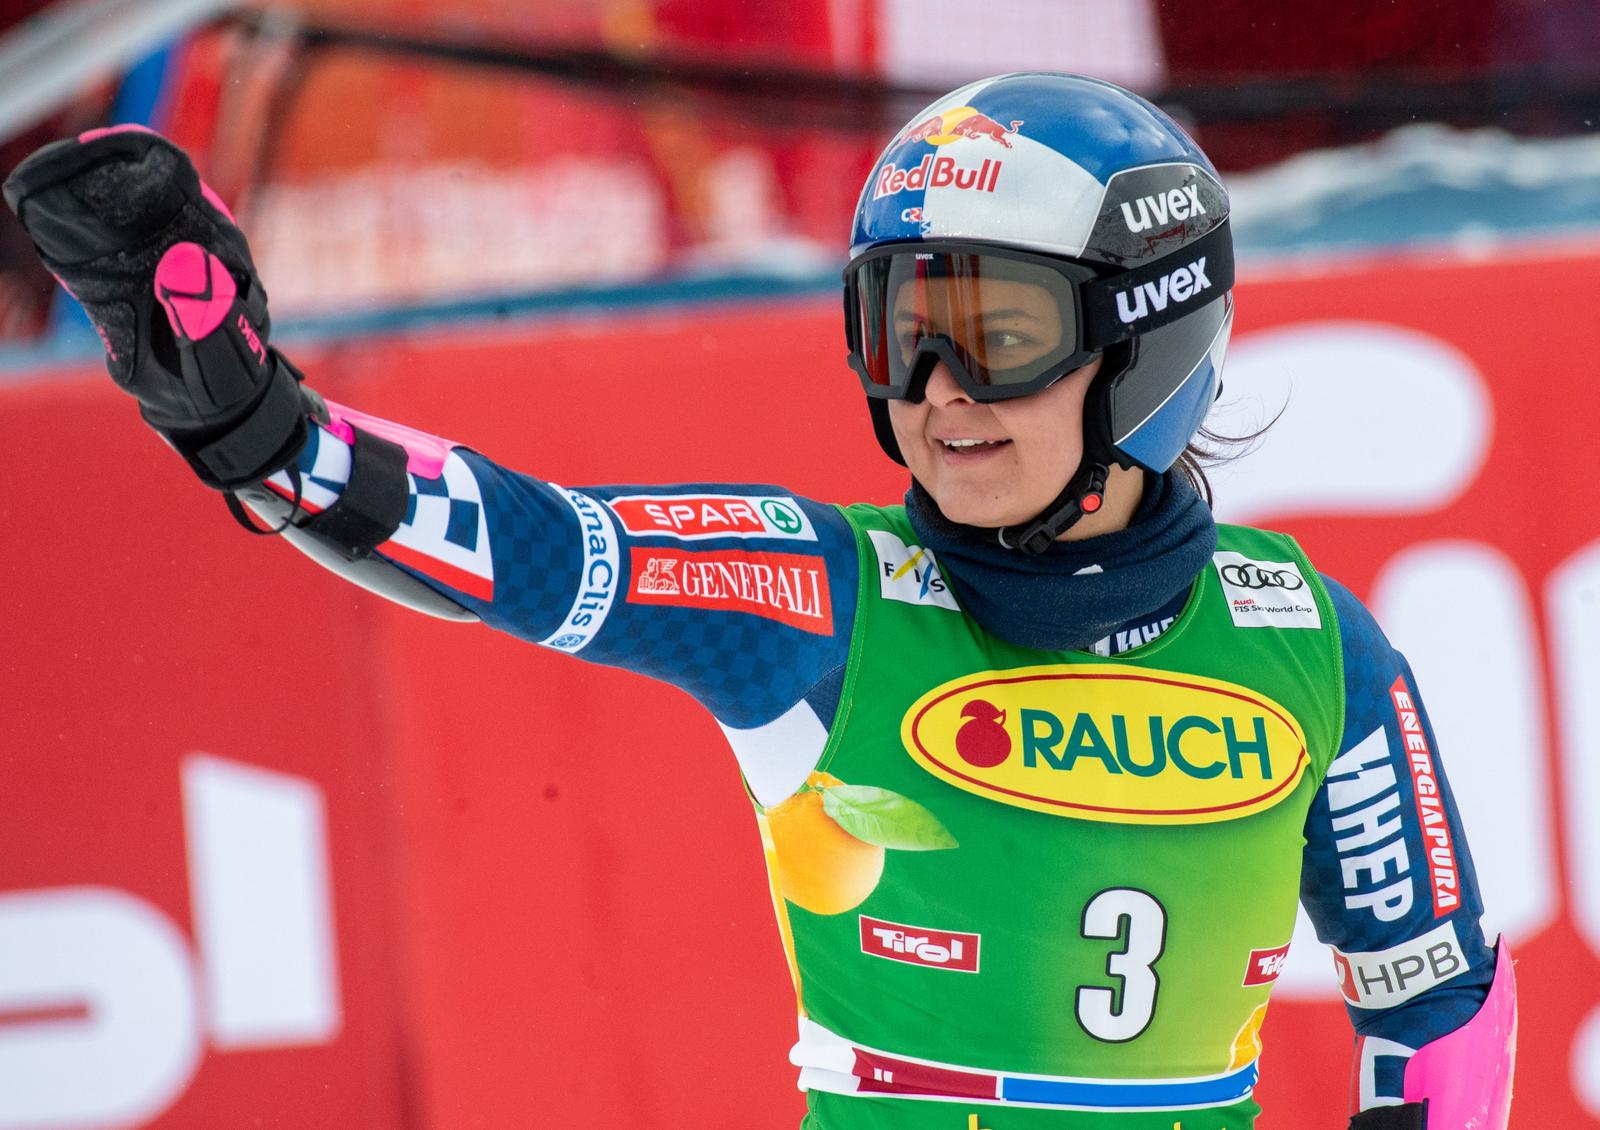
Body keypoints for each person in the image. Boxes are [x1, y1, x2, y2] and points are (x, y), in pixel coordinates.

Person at [4, 73, 1515, 1129]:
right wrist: (263, 432)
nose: (935, 395)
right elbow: (527, 547)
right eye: (898, 330)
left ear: (1148, 342)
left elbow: (1440, 1004)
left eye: (995, 331)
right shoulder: (823, 595)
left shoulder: (1311, 640)